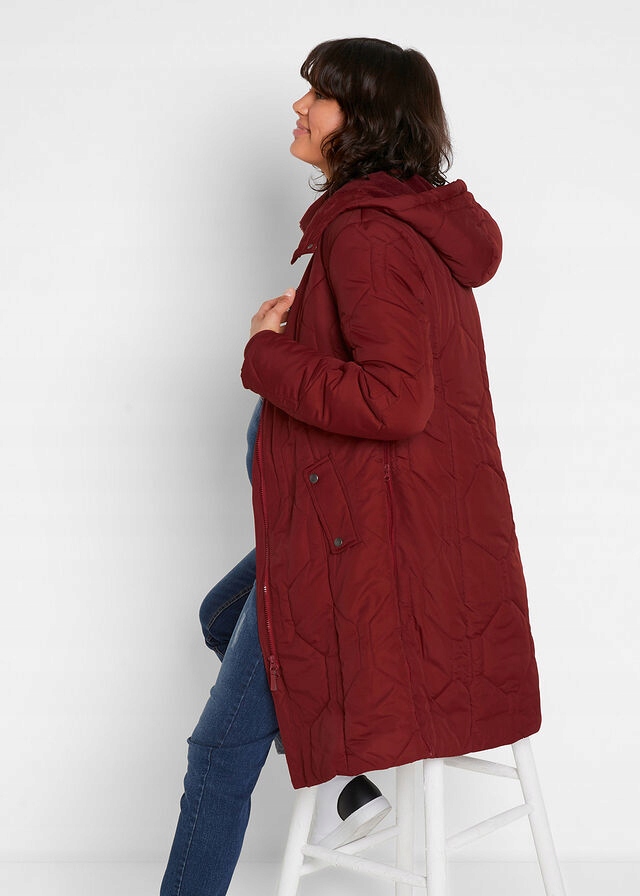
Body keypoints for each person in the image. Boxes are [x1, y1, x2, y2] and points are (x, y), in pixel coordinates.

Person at [160, 36, 542, 896]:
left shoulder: (365, 235)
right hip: (372, 521)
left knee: (217, 754)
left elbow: (395, 401)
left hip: (352, 542)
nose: (299, 108)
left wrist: (265, 354)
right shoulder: (405, 223)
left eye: (318, 96)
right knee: (220, 612)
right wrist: (303, 334)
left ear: (362, 120)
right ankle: (358, 790)